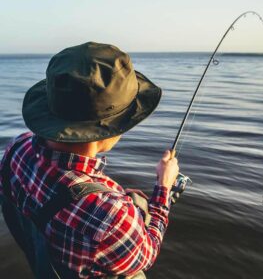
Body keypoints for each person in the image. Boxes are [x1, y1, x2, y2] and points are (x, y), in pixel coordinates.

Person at [0, 42, 179, 278]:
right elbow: (147, 253)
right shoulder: (111, 214)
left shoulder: (16, 147)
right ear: (114, 126)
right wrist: (163, 189)